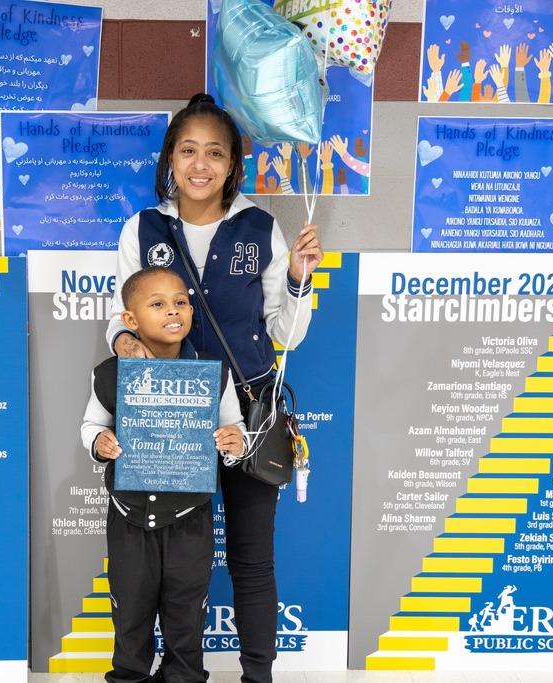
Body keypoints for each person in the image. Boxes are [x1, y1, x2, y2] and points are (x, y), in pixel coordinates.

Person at [105, 93, 324, 683]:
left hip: (249, 415)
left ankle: (258, 674)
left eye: (215, 154)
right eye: (188, 151)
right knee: (169, 568)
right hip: (167, 422)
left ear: (232, 165)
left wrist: (301, 280)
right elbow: (120, 319)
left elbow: (288, 334)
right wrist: (128, 349)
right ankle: (165, 672)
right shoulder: (143, 228)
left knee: (252, 560)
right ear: (170, 160)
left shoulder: (261, 228)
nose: (200, 165)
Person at [83, 266, 247, 683]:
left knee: (187, 610)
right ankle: (130, 676)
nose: (173, 311)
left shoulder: (213, 371)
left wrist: (235, 441)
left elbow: (236, 428)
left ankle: (184, 676)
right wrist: (100, 442)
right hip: (129, 516)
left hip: (189, 516)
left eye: (181, 302)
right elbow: (91, 425)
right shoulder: (109, 374)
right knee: (131, 607)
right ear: (131, 321)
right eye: (157, 305)